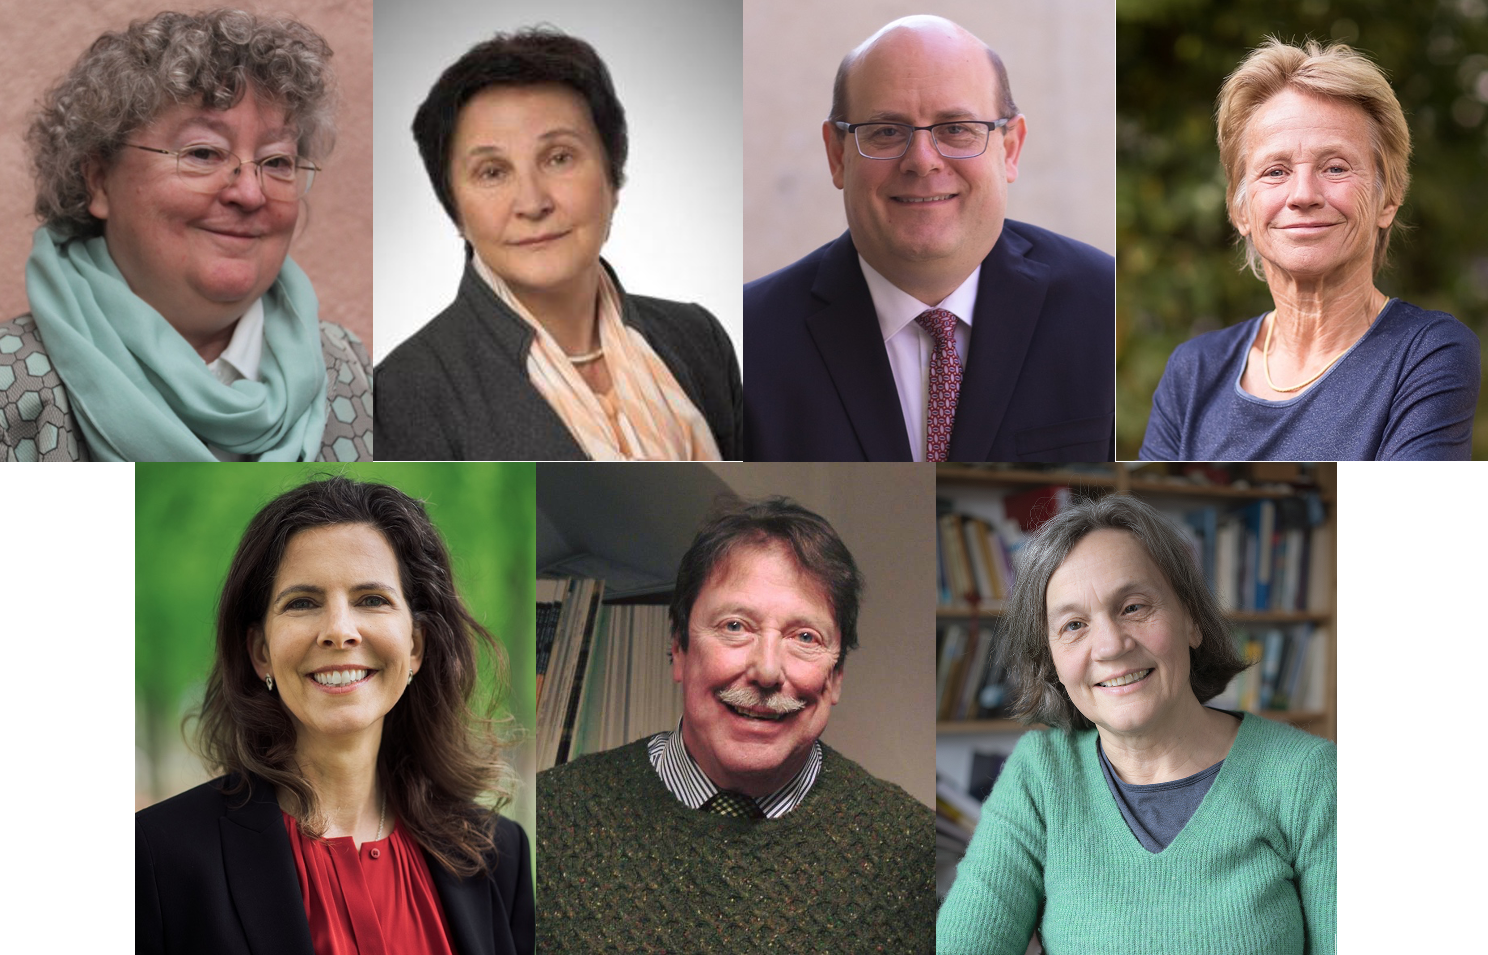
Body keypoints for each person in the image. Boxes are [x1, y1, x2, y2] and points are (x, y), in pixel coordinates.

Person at [136, 476, 534, 955]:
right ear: (261, 652)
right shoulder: (158, 858)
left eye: (372, 600)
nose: (339, 631)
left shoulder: (499, 855)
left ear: (416, 647)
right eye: (302, 603)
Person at [936, 495, 1335, 954]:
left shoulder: (1311, 777)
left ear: (1191, 620)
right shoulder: (1040, 775)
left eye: (1133, 607)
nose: (1109, 646)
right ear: (1052, 662)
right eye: (1073, 625)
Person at [537, 497, 934, 953]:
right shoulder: (547, 820)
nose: (767, 671)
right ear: (680, 650)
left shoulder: (909, 850)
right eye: (735, 626)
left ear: (836, 676)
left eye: (805, 637)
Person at [0, 9, 372, 463]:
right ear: (99, 180)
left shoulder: (354, 373)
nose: (250, 192)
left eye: (277, 161)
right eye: (203, 153)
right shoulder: (11, 384)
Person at [744, 15, 1113, 463]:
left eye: (956, 128)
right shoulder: (748, 340)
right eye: (886, 131)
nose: (922, 161)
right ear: (838, 155)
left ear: (1010, 148)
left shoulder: (1103, 305)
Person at [375, 28, 742, 461]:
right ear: (455, 209)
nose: (532, 203)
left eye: (559, 158)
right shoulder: (401, 393)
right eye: (492, 172)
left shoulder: (697, 336)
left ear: (613, 176)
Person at [1141, 39, 1480, 461]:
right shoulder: (1193, 371)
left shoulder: (1426, 353)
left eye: (1335, 167)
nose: (1303, 195)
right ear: (1239, 209)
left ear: (1389, 198)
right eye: (1276, 171)